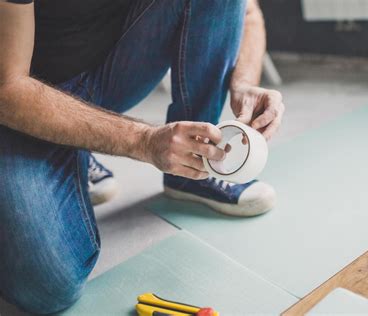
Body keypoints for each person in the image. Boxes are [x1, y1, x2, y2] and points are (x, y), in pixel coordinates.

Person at [0, 0, 284, 314]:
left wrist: (243, 83)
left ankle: (194, 168)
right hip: (19, 99)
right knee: (46, 288)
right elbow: (7, 88)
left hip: (106, 73)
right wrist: (144, 141)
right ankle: (70, 145)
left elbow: (247, 10)